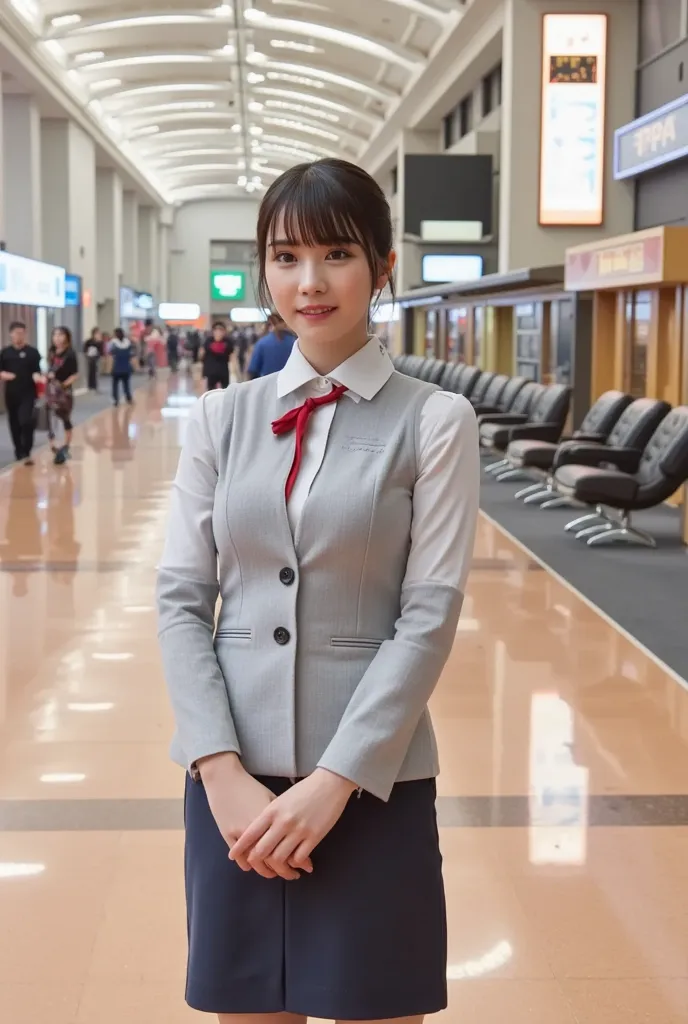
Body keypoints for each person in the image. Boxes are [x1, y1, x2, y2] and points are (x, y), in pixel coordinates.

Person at [157, 157, 480, 1023]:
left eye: (336, 254)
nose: (309, 281)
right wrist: (217, 770)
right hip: (238, 788)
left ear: (382, 267)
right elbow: (182, 599)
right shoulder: (224, 418)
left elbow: (429, 613)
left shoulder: (435, 421)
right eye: (286, 255)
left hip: (372, 781)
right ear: (264, 268)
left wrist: (335, 780)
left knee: (379, 1008)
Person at [0, 321, 42, 466]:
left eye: (22, 333)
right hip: (11, 394)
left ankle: (27, 450)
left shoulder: (32, 352)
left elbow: (37, 370)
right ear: (11, 334)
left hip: (28, 393)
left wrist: (37, 376)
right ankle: (18, 451)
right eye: (17, 333)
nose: (20, 336)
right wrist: (4, 375)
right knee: (14, 423)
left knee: (26, 421)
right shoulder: (5, 353)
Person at [46, 326, 79, 464]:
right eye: (55, 335)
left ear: (67, 337)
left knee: (64, 417)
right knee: (50, 419)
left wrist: (63, 385)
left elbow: (75, 374)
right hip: (51, 390)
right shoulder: (52, 352)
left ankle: (66, 446)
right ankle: (54, 446)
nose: (57, 338)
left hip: (64, 391)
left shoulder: (70, 354)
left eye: (60, 335)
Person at [247, 313, 297, 378]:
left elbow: (253, 370)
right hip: (291, 382)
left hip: (267, 383)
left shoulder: (262, 343)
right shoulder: (294, 342)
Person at [201, 321, 233, 391]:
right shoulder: (208, 341)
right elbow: (203, 356)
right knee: (211, 392)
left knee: (225, 391)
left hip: (223, 371)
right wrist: (204, 372)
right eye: (216, 330)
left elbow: (231, 354)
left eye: (220, 330)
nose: (218, 332)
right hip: (211, 371)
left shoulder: (228, 342)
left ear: (224, 331)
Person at [109, 327, 134, 406]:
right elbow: (131, 354)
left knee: (115, 385)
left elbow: (110, 353)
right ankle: (128, 398)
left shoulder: (113, 343)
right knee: (126, 384)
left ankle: (115, 400)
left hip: (117, 367)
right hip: (126, 366)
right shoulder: (128, 343)